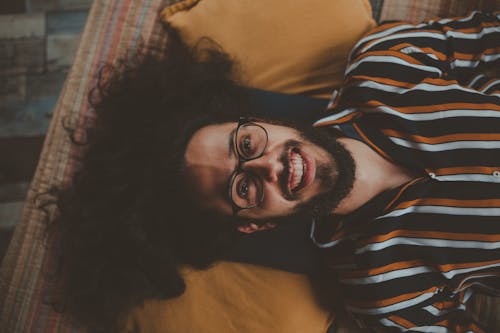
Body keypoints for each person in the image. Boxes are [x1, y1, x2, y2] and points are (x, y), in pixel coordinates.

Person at [52, 11, 499, 333]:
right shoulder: (381, 290)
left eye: (246, 144)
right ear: (255, 223)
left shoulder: (385, 63)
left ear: (259, 120)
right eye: (243, 186)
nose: (269, 165)